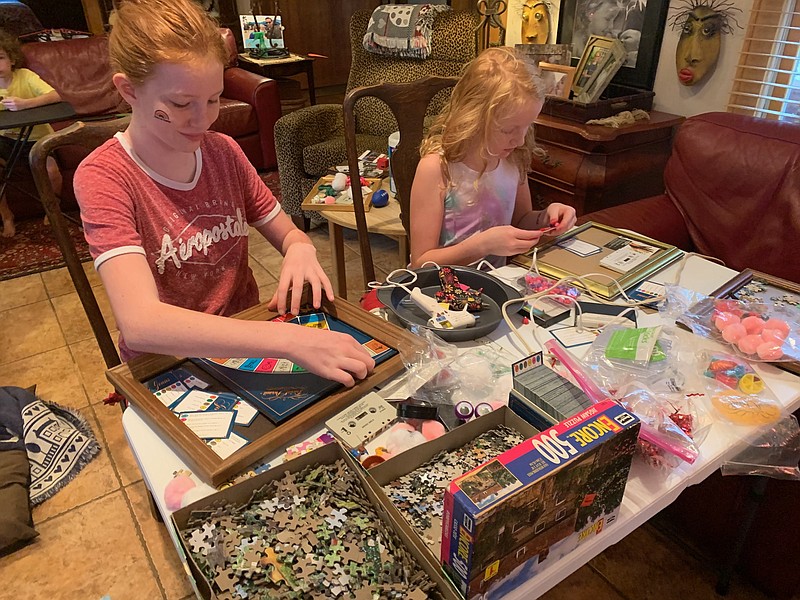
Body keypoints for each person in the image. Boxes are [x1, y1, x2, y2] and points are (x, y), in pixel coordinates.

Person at [73, 0, 374, 386]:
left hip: (244, 341)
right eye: (182, 104)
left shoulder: (223, 152)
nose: (205, 119)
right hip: (168, 363)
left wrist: (300, 248)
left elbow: (288, 232)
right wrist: (287, 339)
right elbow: (142, 324)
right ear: (128, 90)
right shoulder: (105, 176)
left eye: (214, 98)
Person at [409, 47, 576, 268]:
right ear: (474, 117)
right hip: (442, 292)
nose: (519, 140)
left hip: (494, 288)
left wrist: (546, 218)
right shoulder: (437, 168)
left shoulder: (513, 158)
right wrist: (482, 245)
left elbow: (520, 220)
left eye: (527, 126)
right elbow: (421, 262)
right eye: (508, 130)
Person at [0, 29, 63, 237]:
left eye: (0, 58)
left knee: (52, 172)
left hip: (37, 138)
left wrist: (25, 104)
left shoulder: (25, 76)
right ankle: (6, 217)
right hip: (5, 139)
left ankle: (53, 209)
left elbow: (55, 96)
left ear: (11, 59)